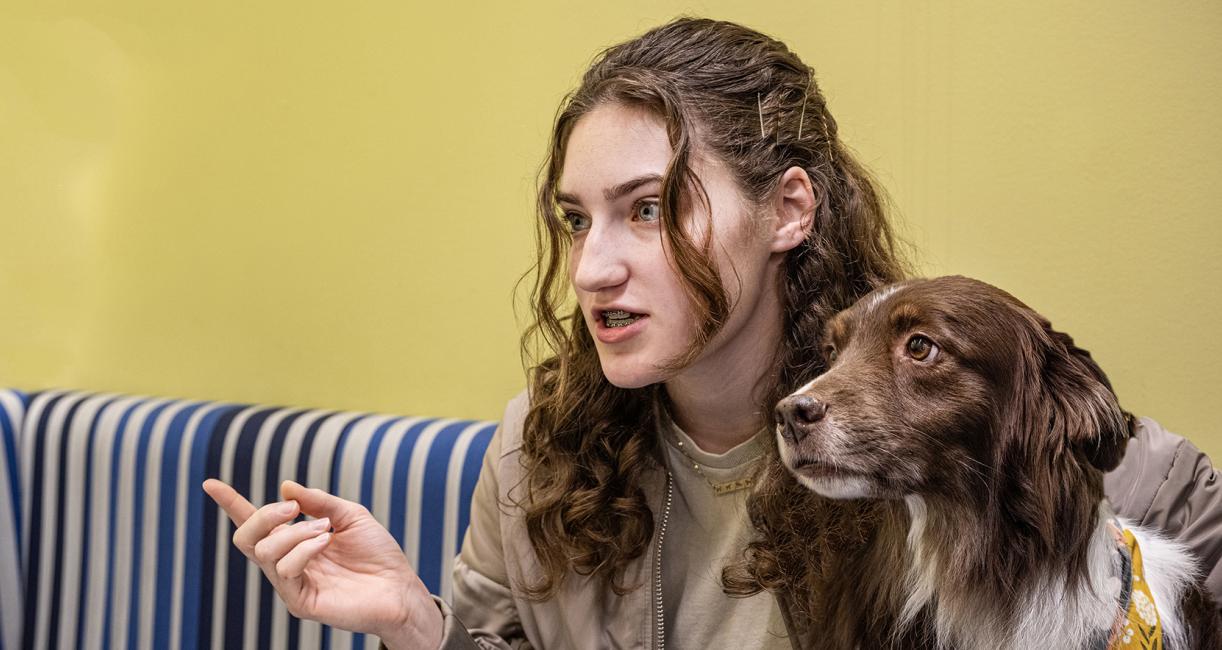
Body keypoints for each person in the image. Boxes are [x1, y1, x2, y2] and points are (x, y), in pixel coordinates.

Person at [202, 17, 1222, 649]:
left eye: (648, 208)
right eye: (576, 217)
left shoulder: (945, 412)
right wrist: (417, 626)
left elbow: (1161, 513)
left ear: (787, 209)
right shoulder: (534, 451)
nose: (593, 264)